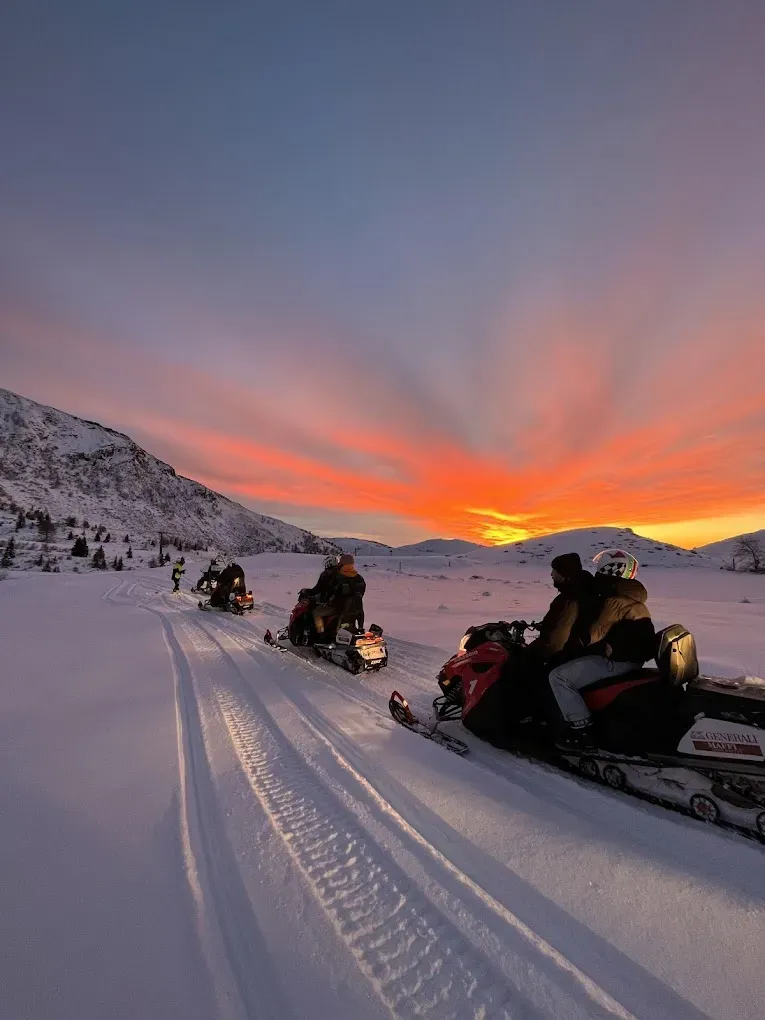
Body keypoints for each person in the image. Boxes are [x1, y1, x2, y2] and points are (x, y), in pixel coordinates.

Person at [547, 549, 655, 746]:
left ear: (610, 569)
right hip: (629, 658)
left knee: (558, 677)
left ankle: (581, 730)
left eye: (600, 565)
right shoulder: (628, 594)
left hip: (618, 660)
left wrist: (573, 645)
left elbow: (597, 631)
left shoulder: (613, 600)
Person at [525, 552, 595, 666]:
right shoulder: (580, 592)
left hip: (561, 658)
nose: (552, 574)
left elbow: (557, 639)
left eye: (555, 571)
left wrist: (532, 653)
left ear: (565, 574)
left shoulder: (569, 599)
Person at [313, 553, 366, 636]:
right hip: (356, 608)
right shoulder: (359, 578)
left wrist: (326, 600)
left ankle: (320, 634)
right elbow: (361, 593)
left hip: (337, 608)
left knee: (316, 612)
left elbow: (330, 592)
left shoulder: (338, 577)